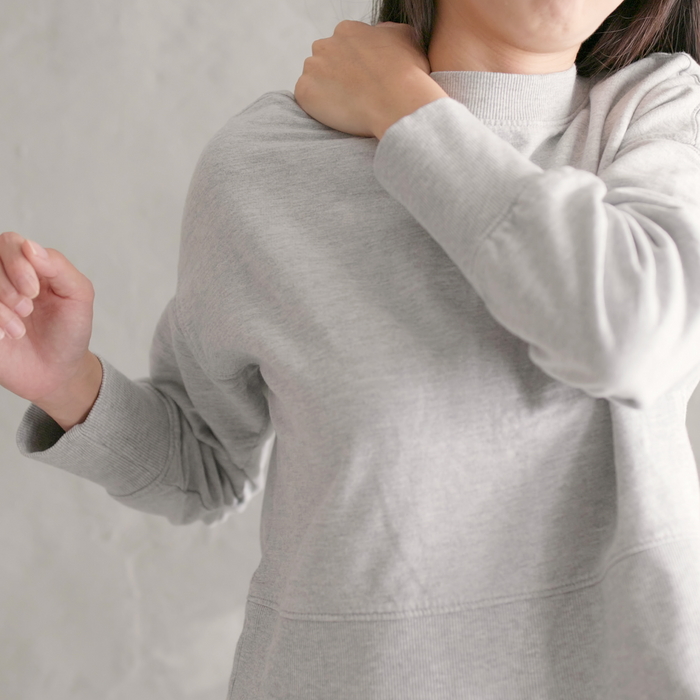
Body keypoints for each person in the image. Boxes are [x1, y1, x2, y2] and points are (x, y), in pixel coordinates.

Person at [3, 0, 700, 696]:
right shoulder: (264, 168)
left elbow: (631, 337)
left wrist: (403, 109)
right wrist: (67, 380)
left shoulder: (659, 121)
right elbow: (208, 461)